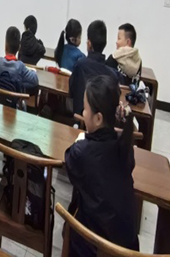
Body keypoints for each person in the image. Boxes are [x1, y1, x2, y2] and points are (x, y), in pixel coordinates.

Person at [65, 75, 139, 256]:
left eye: (85, 109)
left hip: (92, 246)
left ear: (98, 118)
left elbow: (70, 163)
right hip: (126, 249)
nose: (82, 113)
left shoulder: (82, 152)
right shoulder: (125, 146)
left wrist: (81, 141)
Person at [69, 20, 118, 115]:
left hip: (80, 119)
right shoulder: (112, 76)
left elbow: (71, 92)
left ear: (89, 43)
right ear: (105, 44)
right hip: (101, 123)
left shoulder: (80, 65)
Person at [0, 26, 39, 92]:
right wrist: (33, 71)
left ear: (5, 45)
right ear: (19, 47)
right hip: (13, 98)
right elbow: (35, 80)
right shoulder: (20, 66)